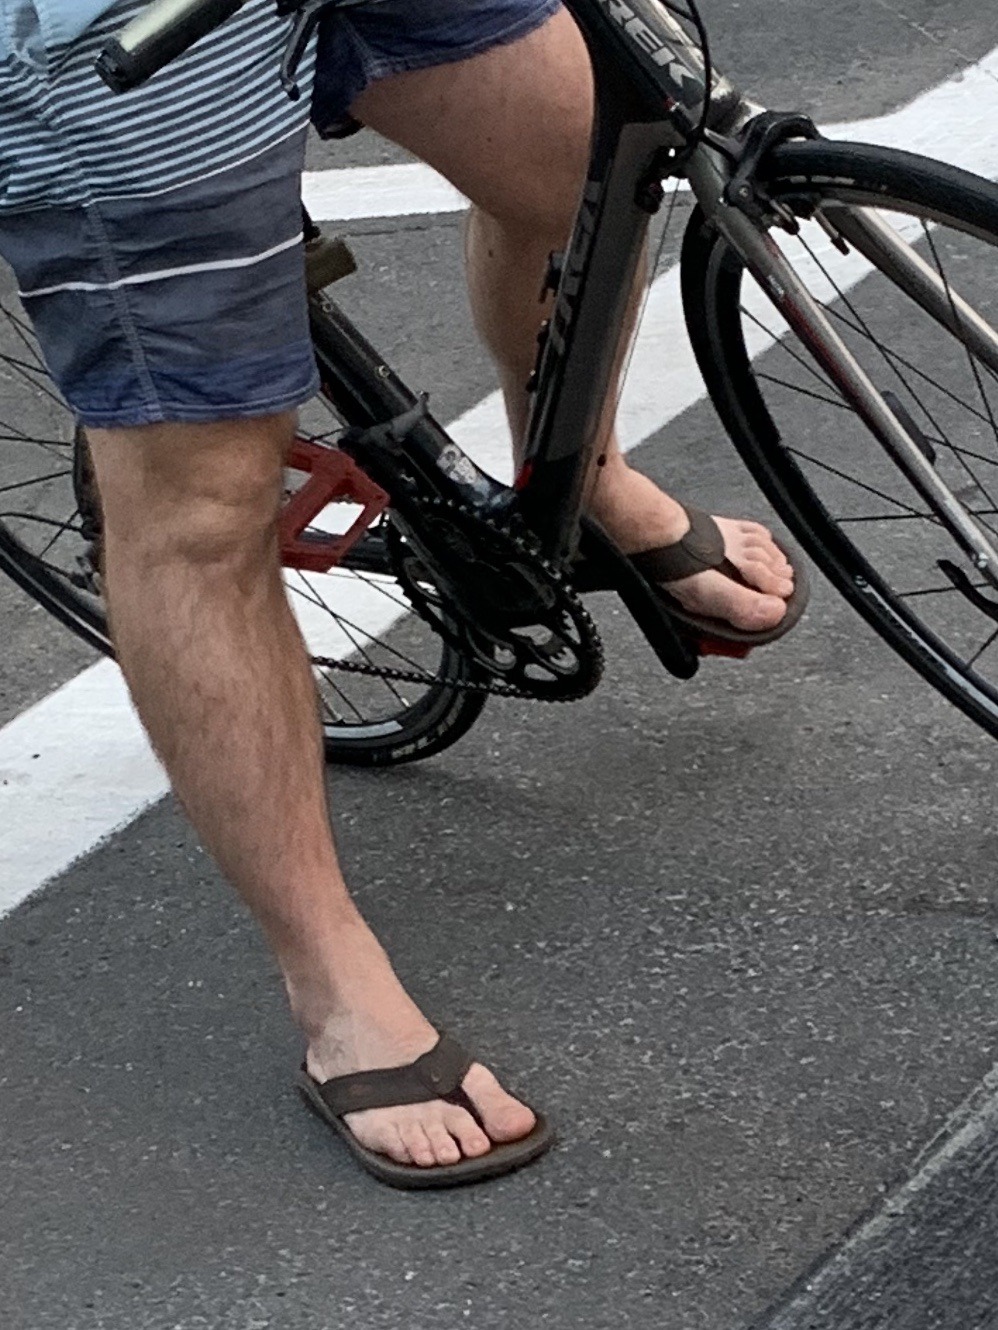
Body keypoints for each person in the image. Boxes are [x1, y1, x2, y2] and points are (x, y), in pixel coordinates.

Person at [0, 0, 799, 1187]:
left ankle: (582, 474)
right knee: (203, 503)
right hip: (109, 31)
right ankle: (333, 986)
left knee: (599, 160)